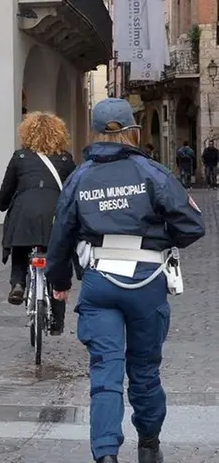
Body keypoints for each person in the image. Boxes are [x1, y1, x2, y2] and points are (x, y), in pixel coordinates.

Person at [45, 98, 205, 463]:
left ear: (95, 132)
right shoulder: (152, 173)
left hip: (100, 281)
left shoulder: (79, 178)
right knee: (145, 370)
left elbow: (61, 239)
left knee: (105, 371)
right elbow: (193, 226)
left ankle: (105, 454)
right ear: (132, 131)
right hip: (145, 281)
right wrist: (158, 240)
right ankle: (148, 445)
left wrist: (60, 282)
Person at [0, 111, 76, 335]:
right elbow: (74, 190)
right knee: (59, 261)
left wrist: (2, 205)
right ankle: (57, 319)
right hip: (55, 215)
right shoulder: (66, 159)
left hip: (25, 213)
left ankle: (18, 284)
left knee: (21, 250)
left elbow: (7, 189)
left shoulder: (20, 157)